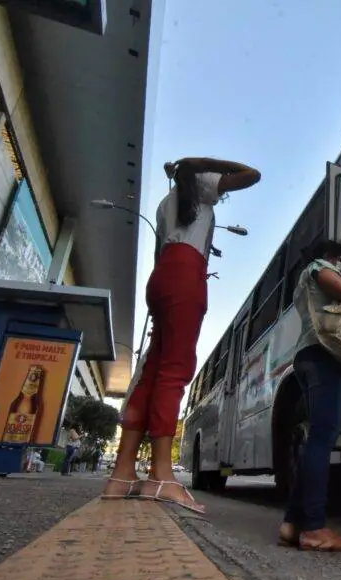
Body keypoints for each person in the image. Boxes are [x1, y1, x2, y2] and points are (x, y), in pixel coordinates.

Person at [101, 157, 261, 510]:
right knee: (174, 371)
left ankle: (122, 473)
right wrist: (199, 162)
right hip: (186, 275)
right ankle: (162, 475)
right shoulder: (201, 186)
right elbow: (252, 175)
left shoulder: (165, 204)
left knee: (152, 373)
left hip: (161, 277)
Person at [279, 239, 341, 552]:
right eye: (340, 256)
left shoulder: (304, 281)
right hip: (323, 357)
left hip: (309, 357)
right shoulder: (318, 268)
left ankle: (292, 524)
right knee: (322, 440)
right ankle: (313, 527)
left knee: (316, 440)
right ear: (329, 255)